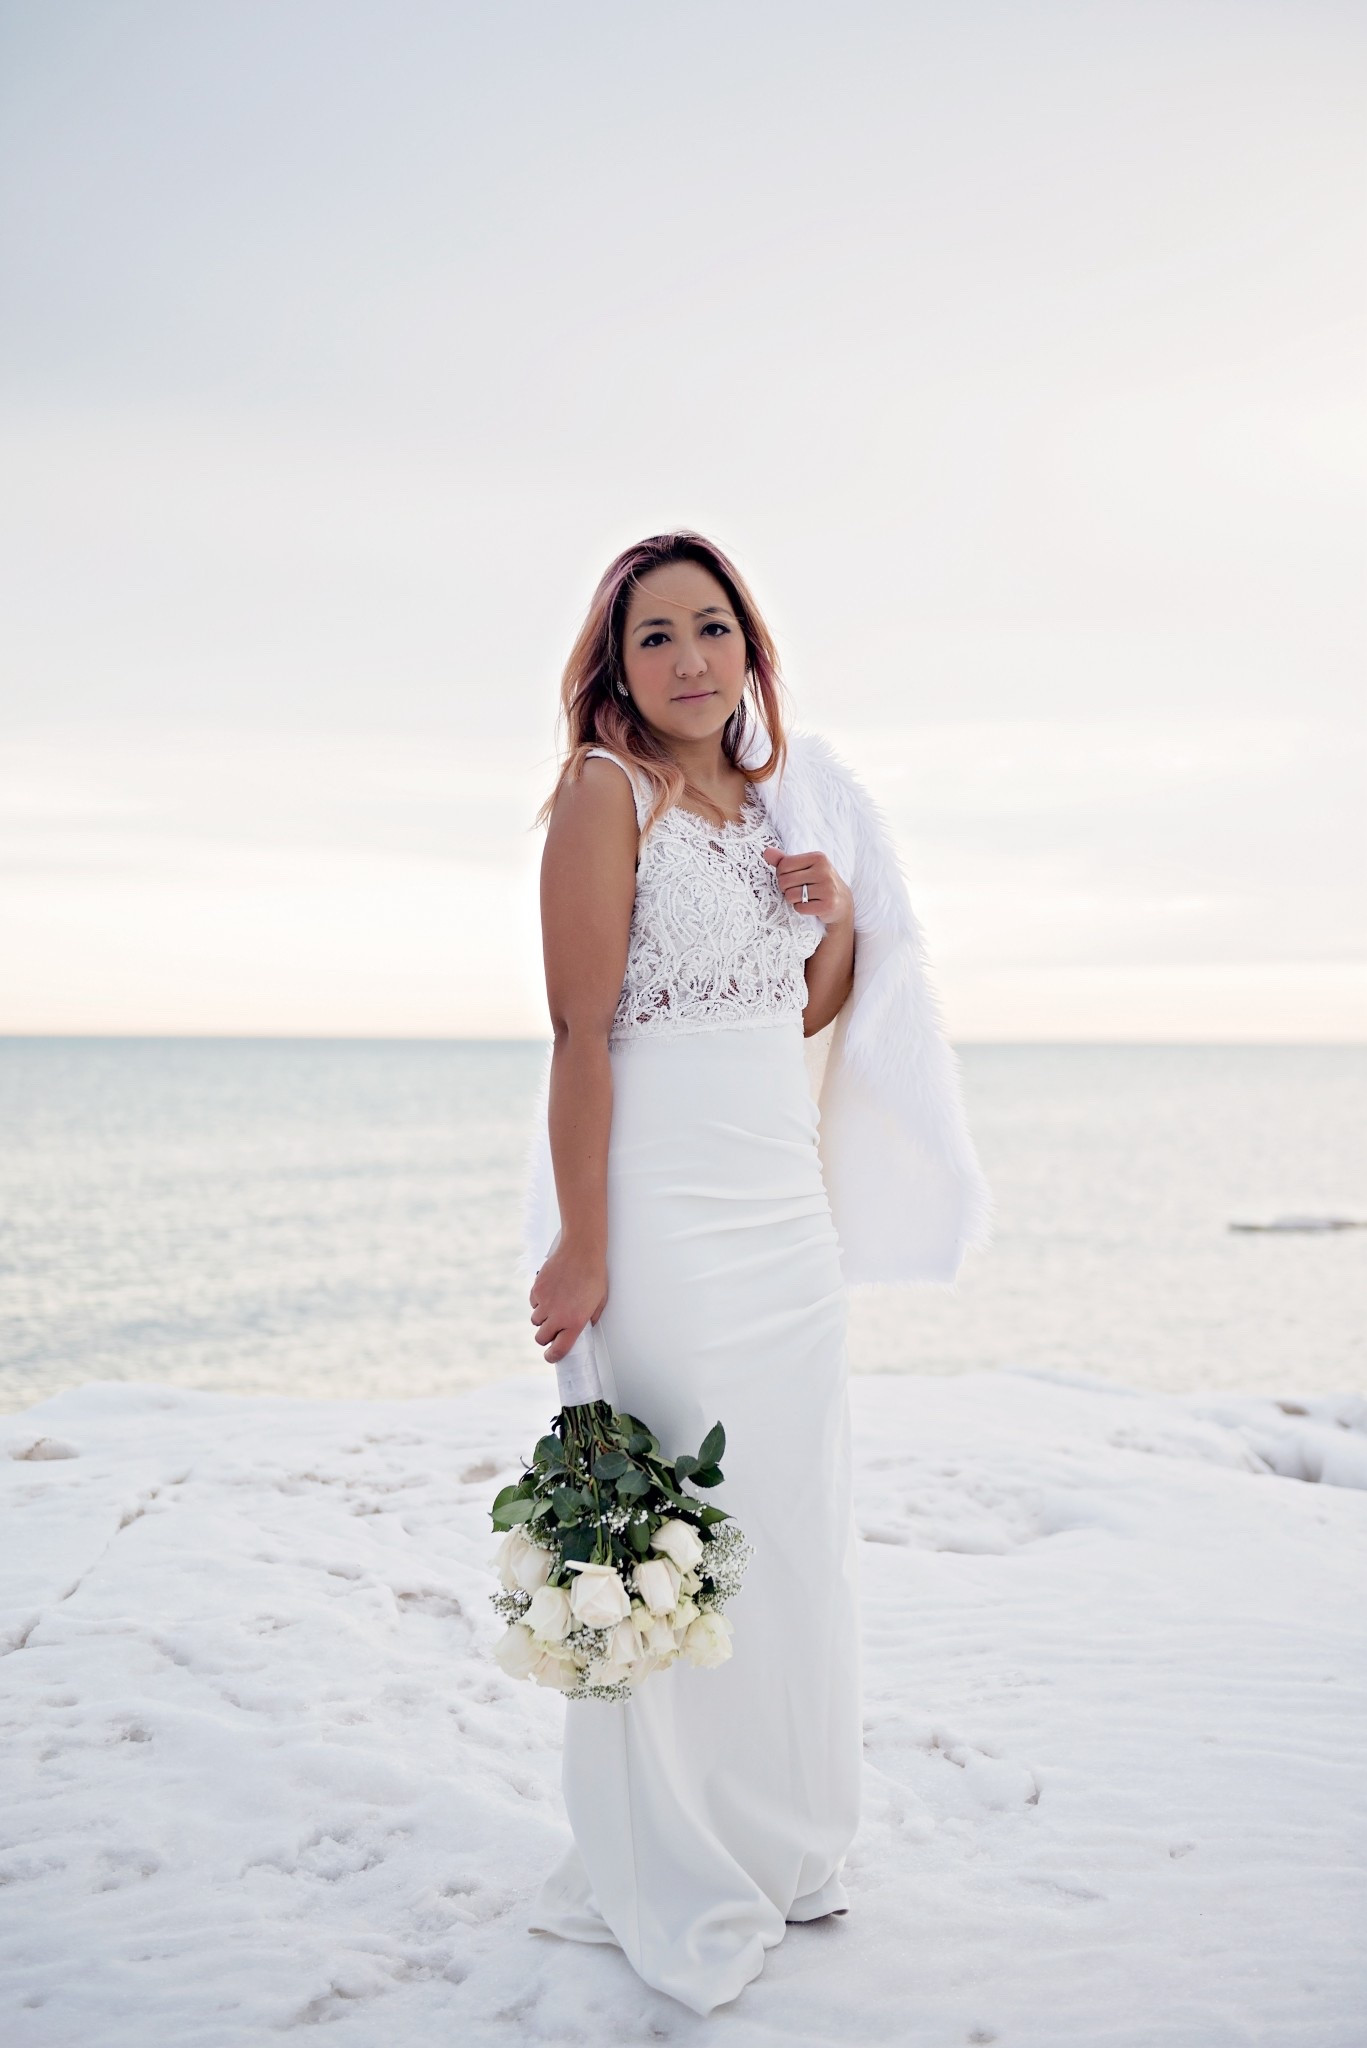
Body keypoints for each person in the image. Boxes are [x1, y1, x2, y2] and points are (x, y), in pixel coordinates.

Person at [523, 530, 987, 2014]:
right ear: (617, 662)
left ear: (751, 649)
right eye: (654, 635)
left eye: (711, 628)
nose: (687, 658)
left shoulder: (765, 801)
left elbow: (802, 1012)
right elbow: (582, 1036)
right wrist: (583, 1240)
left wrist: (834, 914)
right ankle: (678, 1854)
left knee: (792, 1521)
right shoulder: (610, 798)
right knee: (685, 1510)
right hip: (665, 1205)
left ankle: (785, 1839)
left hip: (779, 1203)